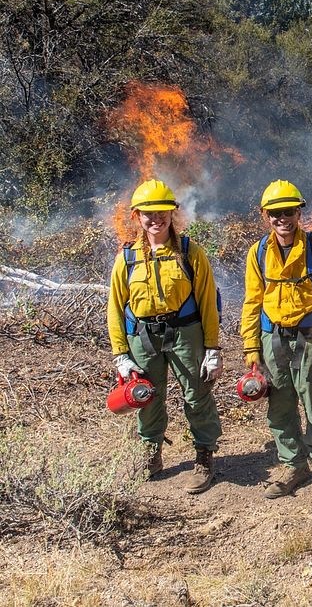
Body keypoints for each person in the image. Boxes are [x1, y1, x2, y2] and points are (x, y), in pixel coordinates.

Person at [107, 179, 223, 494]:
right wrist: (121, 355)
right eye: (148, 213)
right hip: (143, 337)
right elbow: (116, 309)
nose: (155, 219)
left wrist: (212, 349)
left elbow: (208, 304)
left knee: (196, 394)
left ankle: (204, 454)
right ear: (137, 217)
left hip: (186, 333)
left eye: (162, 212)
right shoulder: (127, 258)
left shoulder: (190, 252)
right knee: (146, 398)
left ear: (173, 213)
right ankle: (151, 453)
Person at [241, 180, 312, 501]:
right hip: (273, 339)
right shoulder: (258, 253)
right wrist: (250, 345)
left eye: (288, 211)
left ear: (299, 212)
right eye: (275, 213)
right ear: (265, 215)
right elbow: (252, 301)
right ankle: (293, 464)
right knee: (280, 405)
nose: (282, 218)